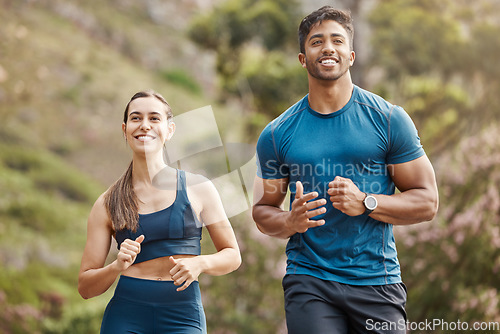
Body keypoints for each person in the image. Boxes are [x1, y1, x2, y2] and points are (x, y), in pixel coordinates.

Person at [252, 6, 438, 334]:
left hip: (376, 280)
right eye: (316, 41)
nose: (327, 48)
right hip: (310, 280)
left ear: (350, 56)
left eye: (337, 40)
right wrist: (289, 221)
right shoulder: (277, 133)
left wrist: (367, 201)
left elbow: (427, 202)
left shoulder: (389, 120)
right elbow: (262, 211)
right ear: (302, 58)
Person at [78, 90, 241, 333]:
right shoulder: (107, 203)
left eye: (154, 118)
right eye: (136, 118)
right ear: (125, 130)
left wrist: (200, 264)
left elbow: (232, 255)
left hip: (183, 315)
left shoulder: (199, 188)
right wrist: (116, 266)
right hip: (126, 316)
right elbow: (85, 287)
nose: (144, 125)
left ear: (170, 129)